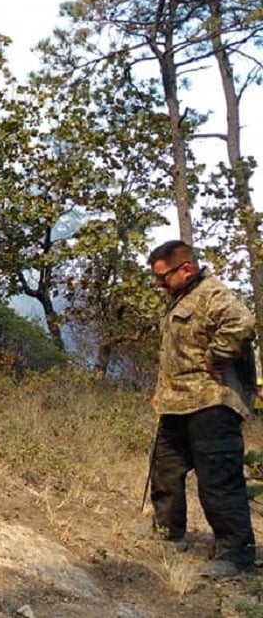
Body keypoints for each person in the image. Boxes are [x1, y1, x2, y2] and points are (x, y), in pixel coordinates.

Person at [148, 240, 257, 578]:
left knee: (218, 481)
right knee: (165, 469)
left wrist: (217, 355)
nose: (160, 284)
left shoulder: (212, 294)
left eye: (164, 277)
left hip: (211, 403)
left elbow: (242, 323)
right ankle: (169, 533)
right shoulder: (178, 299)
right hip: (177, 403)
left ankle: (235, 553)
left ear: (186, 269)